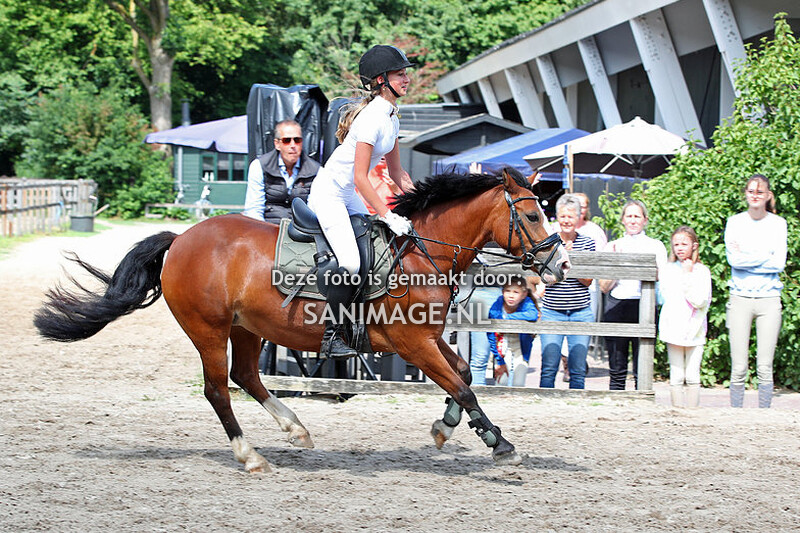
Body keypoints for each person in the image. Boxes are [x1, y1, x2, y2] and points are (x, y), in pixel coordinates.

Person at [307, 45, 416, 358]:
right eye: (400, 74)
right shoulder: (370, 120)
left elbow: (396, 172)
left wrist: (421, 199)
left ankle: (364, 327)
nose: (406, 79)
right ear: (382, 80)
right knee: (352, 263)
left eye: (406, 73)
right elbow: (359, 177)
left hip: (349, 195)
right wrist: (387, 214)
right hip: (329, 193)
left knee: (376, 253)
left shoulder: (392, 118)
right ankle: (330, 336)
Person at [725, 174, 787, 408]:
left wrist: (748, 254)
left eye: (760, 192)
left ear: (768, 195)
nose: (755, 196)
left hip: (769, 298)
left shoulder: (778, 224)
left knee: (764, 366)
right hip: (739, 296)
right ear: (746, 193)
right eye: (751, 191)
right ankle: (735, 412)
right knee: (739, 365)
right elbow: (734, 260)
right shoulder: (735, 222)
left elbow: (778, 263)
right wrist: (763, 255)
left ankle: (764, 414)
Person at [600, 200, 668, 390]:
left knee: (643, 363)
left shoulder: (655, 246)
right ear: (622, 220)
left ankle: (642, 399)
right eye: (629, 216)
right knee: (617, 363)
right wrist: (616, 264)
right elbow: (604, 287)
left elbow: (660, 276)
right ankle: (616, 401)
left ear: (645, 220)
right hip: (617, 305)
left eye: (637, 216)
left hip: (643, 304)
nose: (633, 220)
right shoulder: (613, 246)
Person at [539, 194, 595, 390]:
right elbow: (546, 278)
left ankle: (577, 405)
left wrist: (569, 258)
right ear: (557, 217)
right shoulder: (548, 243)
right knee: (549, 366)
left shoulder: (587, 243)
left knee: (578, 368)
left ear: (578, 218)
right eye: (563, 216)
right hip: (552, 310)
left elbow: (588, 281)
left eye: (571, 216)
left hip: (580, 311)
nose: (566, 220)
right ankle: (544, 403)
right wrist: (560, 259)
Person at [657, 226, 711, 408]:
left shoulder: (702, 271)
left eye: (684, 244)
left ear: (694, 245)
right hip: (673, 328)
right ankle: (677, 410)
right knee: (677, 373)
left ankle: (693, 411)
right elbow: (665, 296)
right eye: (676, 244)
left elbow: (700, 300)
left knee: (693, 375)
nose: (680, 248)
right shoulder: (668, 269)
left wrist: (688, 276)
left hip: (695, 329)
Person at [243, 120, 320, 224]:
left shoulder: (316, 170)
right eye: (287, 140)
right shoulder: (259, 166)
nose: (293, 145)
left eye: (297, 140)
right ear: (277, 144)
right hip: (267, 228)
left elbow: (313, 210)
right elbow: (254, 209)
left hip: (301, 230)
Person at [487, 275, 539, 387]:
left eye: (516, 292)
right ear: (502, 292)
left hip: (521, 346)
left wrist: (507, 319)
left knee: (519, 382)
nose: (511, 295)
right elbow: (490, 334)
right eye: (507, 291)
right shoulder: (497, 306)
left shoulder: (527, 302)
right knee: (502, 381)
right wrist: (499, 360)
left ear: (524, 294)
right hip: (502, 345)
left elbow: (532, 314)